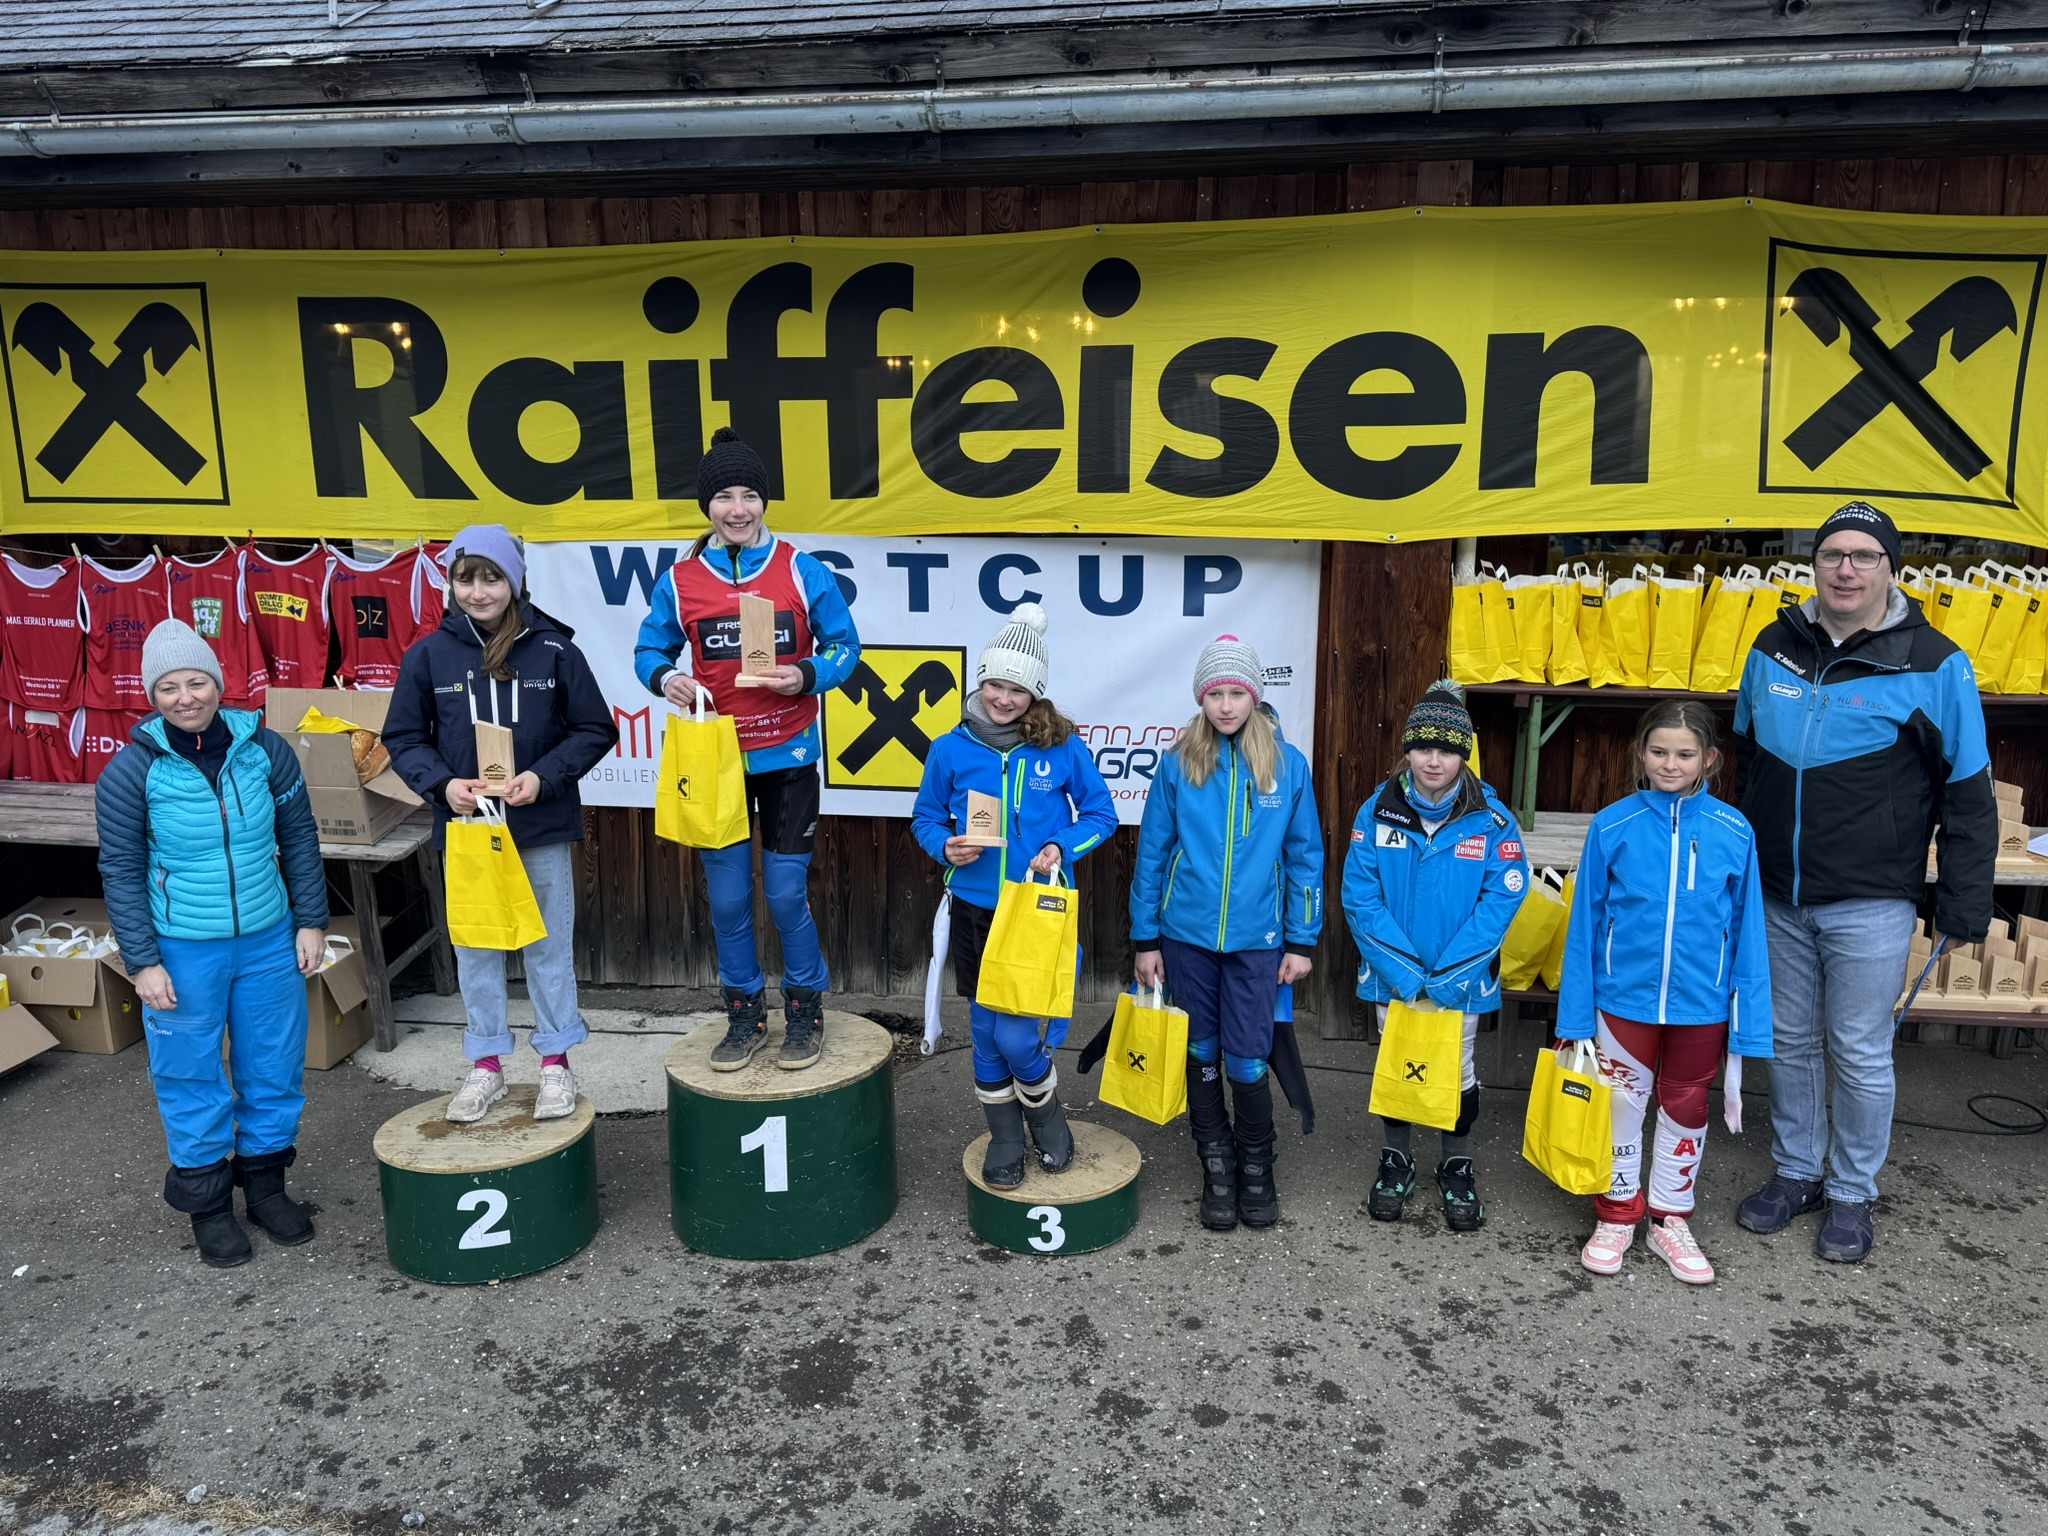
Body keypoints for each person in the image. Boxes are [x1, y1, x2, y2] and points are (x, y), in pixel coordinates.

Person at [1733, 500, 1994, 1264]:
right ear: (1814, 564)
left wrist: (1963, 905)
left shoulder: (1935, 662)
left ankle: (1851, 1191)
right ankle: (1797, 1173)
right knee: (1789, 1041)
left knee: (1859, 1049)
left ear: (1890, 569)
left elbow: (1969, 791)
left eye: (1864, 556)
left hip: (1871, 899)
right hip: (1778, 892)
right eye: (1832, 555)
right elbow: (1747, 762)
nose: (1846, 569)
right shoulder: (1772, 647)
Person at [96, 619, 330, 1268]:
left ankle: (266, 1188)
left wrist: (311, 921)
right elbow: (120, 870)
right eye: (168, 688)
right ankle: (208, 1206)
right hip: (183, 949)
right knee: (190, 1074)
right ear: (153, 696)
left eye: (196, 682)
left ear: (218, 684)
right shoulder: (131, 772)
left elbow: (300, 835)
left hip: (267, 939)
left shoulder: (265, 751)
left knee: (273, 1064)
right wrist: (142, 962)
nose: (185, 698)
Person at [633, 428, 861, 1072]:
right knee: (729, 901)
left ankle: (805, 1009)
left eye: (750, 496)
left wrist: (806, 675)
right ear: (707, 506)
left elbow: (846, 648)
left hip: (788, 756)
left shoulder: (800, 569)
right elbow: (649, 650)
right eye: (724, 497)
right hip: (717, 764)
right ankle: (743, 1015)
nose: (738, 510)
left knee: (786, 896)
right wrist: (666, 678)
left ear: (764, 502)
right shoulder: (680, 580)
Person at [383, 526, 620, 1124]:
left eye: (492, 578)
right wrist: (443, 786)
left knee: (547, 948)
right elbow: (404, 737)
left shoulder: (554, 650)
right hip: (468, 832)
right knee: (477, 950)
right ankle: (486, 1065)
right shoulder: (429, 655)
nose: (479, 591)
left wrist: (544, 777)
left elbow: (595, 728)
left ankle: (556, 1063)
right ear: (450, 585)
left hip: (539, 828)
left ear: (514, 581)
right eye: (466, 579)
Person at [1557, 700, 1773, 1284]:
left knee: (1686, 1107)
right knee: (1621, 1104)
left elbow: (1748, 933)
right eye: (1658, 751)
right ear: (1640, 754)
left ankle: (1669, 1219)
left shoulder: (1734, 830)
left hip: (1702, 1004)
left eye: (1684, 754)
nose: (1670, 764)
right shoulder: (1613, 826)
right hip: (1622, 1000)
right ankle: (1616, 1215)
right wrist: (1574, 1017)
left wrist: (1749, 1026)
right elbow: (1584, 927)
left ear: (1710, 759)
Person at [912, 603, 1118, 1187]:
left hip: (1034, 913)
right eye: (996, 685)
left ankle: (1047, 1118)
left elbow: (1102, 815)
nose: (1004, 699)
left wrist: (1060, 845)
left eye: (1019, 690)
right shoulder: (950, 748)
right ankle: (1005, 1139)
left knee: (1016, 1036)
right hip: (976, 911)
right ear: (981, 680)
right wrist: (944, 847)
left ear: (1036, 695)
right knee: (983, 1033)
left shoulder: (1062, 746)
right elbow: (925, 818)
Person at [1130, 636, 1323, 1231]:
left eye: (1237, 693)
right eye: (1215, 694)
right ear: (1201, 698)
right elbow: (1152, 854)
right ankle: (1215, 1166)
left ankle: (1256, 1167)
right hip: (1185, 937)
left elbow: (1305, 857)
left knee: (1246, 1058)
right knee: (1201, 1051)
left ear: (1254, 696)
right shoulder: (1179, 761)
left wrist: (1301, 940)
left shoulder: (1287, 765)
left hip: (1257, 943)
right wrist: (1145, 939)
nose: (1227, 705)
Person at [1342, 682, 1523, 1234]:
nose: (1434, 760)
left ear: (1464, 753)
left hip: (1458, 981)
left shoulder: (1492, 820)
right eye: (1423, 747)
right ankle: (1396, 1160)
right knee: (1397, 1064)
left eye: (1447, 749)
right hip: (1393, 977)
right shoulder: (1377, 811)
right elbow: (1360, 897)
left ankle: (1456, 1164)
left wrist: (1447, 976)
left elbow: (1501, 901)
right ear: (1408, 749)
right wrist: (1404, 972)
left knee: (1457, 1071)